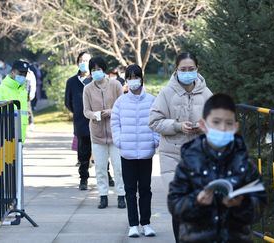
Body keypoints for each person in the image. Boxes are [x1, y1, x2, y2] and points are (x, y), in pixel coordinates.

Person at [167, 94, 267, 242]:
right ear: (203, 125)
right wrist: (196, 201)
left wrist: (241, 204)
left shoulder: (245, 165)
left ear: (236, 127)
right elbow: (175, 205)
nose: (222, 128)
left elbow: (259, 207)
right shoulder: (188, 163)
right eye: (216, 122)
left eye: (228, 123)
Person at [149, 52, 212, 243]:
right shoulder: (166, 93)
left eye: (191, 69)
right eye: (183, 70)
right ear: (176, 70)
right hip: (172, 157)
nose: (187, 73)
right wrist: (177, 126)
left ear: (197, 69)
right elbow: (154, 122)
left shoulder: (207, 93)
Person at [111, 64, 159, 237]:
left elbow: (156, 122)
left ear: (141, 78)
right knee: (130, 190)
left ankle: (146, 223)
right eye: (129, 78)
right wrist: (119, 140)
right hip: (127, 152)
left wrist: (155, 141)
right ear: (126, 80)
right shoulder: (121, 102)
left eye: (135, 77)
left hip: (146, 151)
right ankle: (133, 224)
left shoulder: (152, 100)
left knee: (145, 189)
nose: (133, 81)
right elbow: (115, 123)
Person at [83, 56, 125, 209]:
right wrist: (95, 115)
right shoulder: (87, 89)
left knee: (119, 167)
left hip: (115, 133)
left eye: (98, 69)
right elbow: (85, 111)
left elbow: (123, 106)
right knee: (100, 167)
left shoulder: (115, 85)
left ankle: (121, 195)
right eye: (93, 70)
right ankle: (103, 196)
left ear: (104, 70)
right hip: (97, 133)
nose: (96, 72)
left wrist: (110, 111)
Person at [65, 52, 93, 190]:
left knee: (101, 152)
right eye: (81, 60)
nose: (84, 63)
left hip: (97, 122)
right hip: (81, 122)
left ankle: (106, 175)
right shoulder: (71, 82)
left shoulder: (97, 80)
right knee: (83, 153)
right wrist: (78, 111)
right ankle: (83, 178)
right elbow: (68, 102)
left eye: (87, 60)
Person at [0, 60, 30, 141]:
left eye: (25, 74)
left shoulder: (23, 91)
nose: (23, 76)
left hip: (20, 138)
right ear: (12, 72)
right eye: (20, 74)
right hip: (6, 140)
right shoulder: (1, 90)